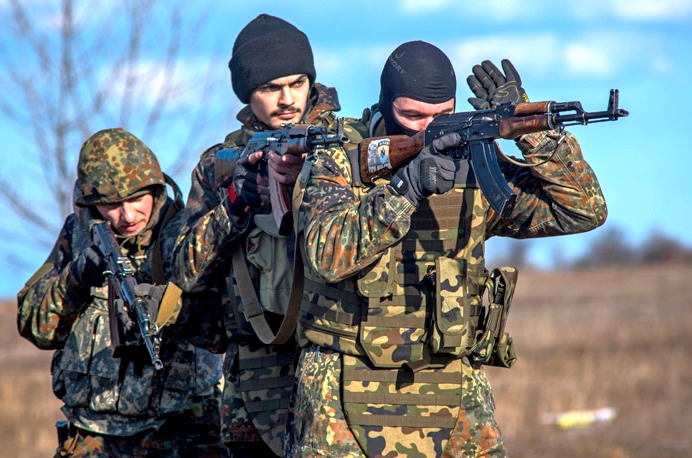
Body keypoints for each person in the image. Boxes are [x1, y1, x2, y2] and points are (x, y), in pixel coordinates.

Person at [285, 40, 608, 457]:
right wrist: (407, 188)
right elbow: (326, 254)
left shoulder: (475, 162)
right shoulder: (340, 159)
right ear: (385, 107)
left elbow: (581, 210)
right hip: (341, 383)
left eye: (442, 116)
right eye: (412, 116)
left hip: (451, 379)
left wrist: (533, 131)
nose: (430, 130)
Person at [172, 14, 364, 457]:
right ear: (246, 93)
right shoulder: (220, 163)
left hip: (340, 360)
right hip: (255, 374)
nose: (286, 100)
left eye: (297, 83)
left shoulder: (347, 143)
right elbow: (185, 270)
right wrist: (235, 205)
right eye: (269, 88)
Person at [17, 128, 226, 457]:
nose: (127, 216)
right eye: (112, 204)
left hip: (182, 431)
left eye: (135, 199)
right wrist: (75, 279)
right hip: (92, 435)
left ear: (155, 190)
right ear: (91, 203)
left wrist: (176, 311)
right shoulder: (79, 234)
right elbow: (35, 326)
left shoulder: (187, 234)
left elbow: (226, 328)